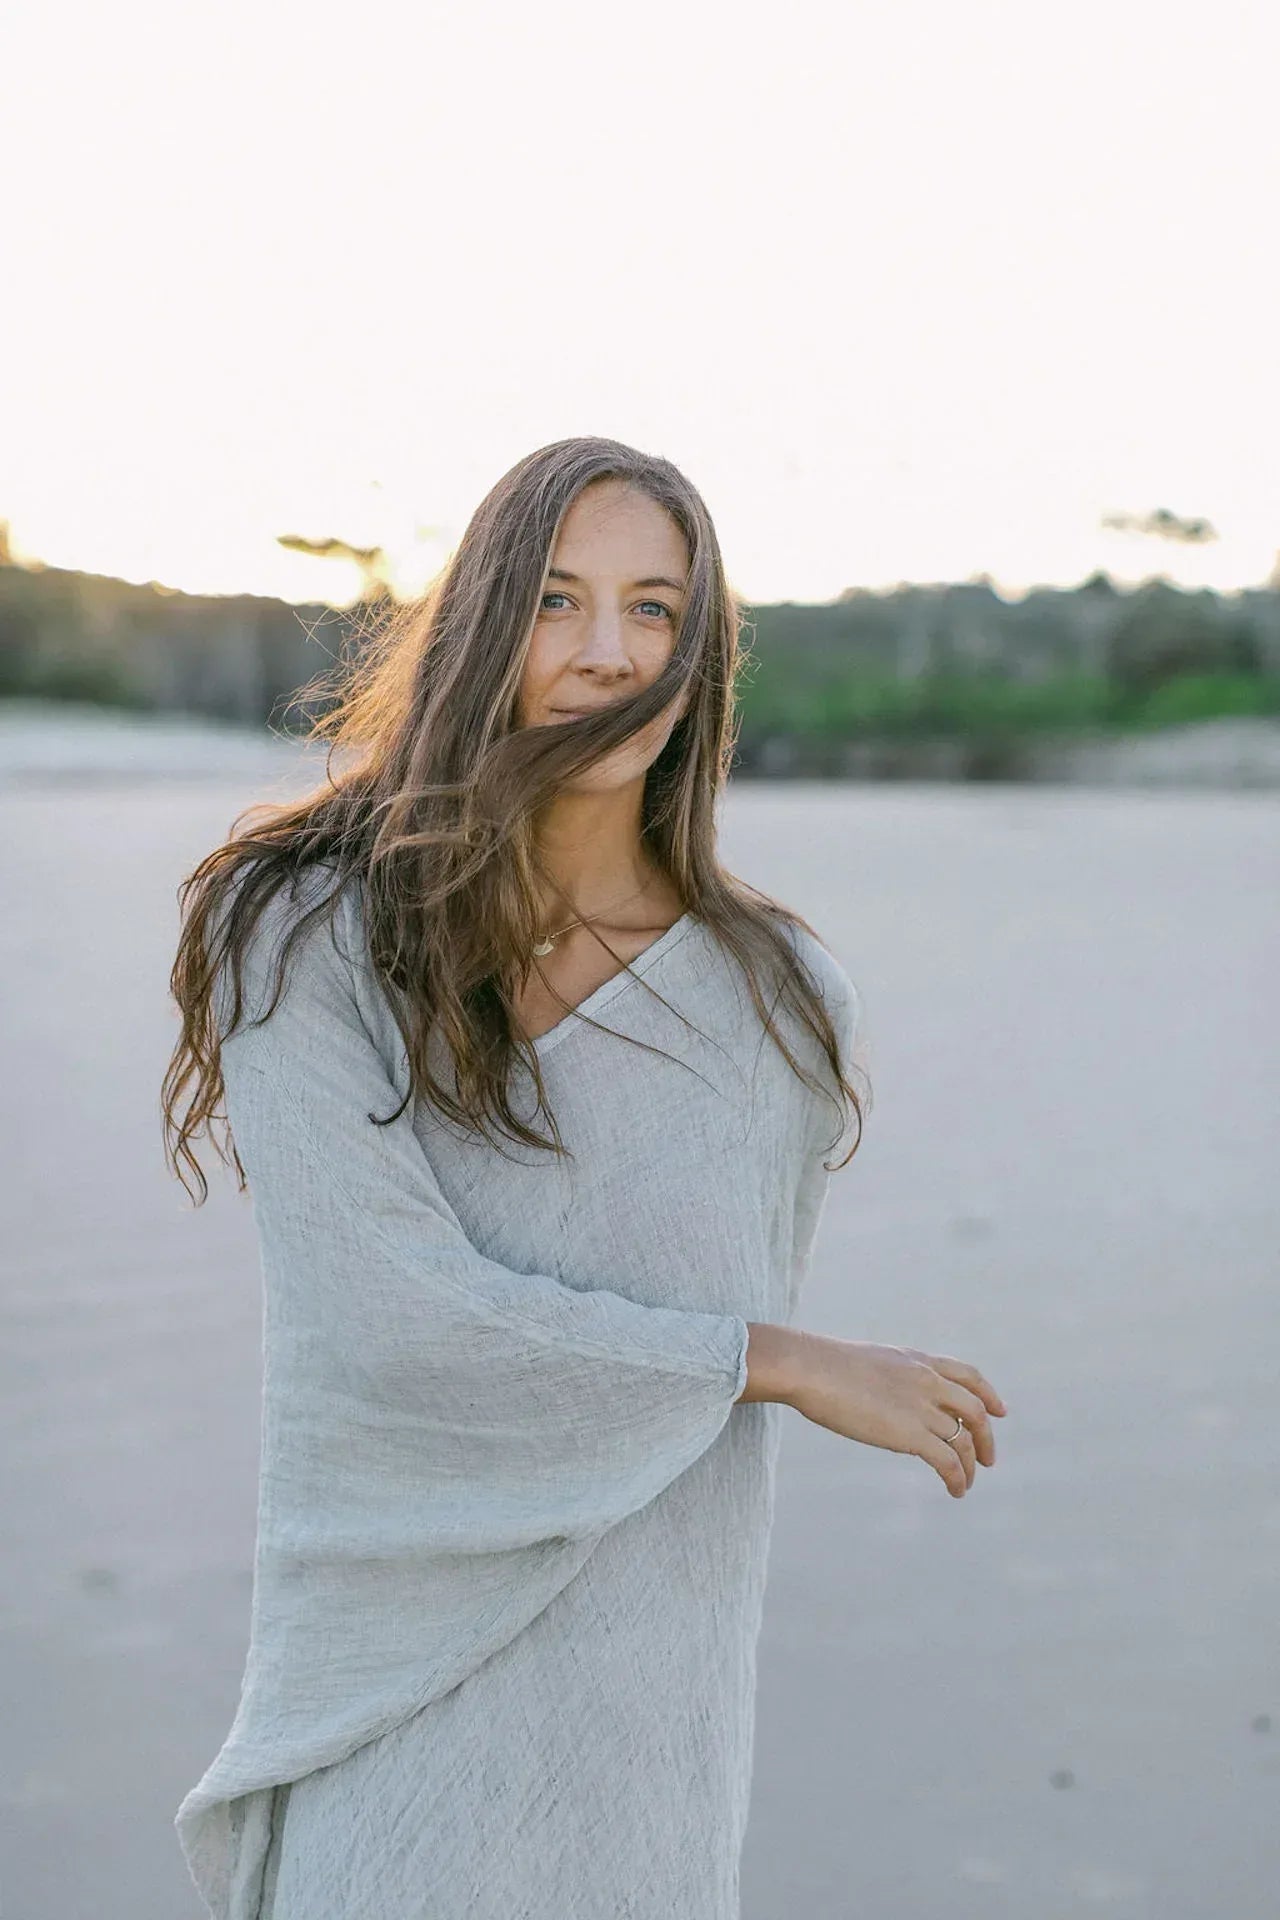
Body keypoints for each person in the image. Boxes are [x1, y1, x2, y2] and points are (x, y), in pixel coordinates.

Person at [162, 436, 1007, 1920]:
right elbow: (389, 1326)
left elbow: (671, 1418)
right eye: (558, 602)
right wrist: (780, 1365)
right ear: (487, 621)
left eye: (654, 611)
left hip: (648, 1725)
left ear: (704, 655)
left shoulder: (781, 1004)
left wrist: (736, 1371)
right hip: (389, 1694)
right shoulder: (307, 933)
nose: (607, 655)